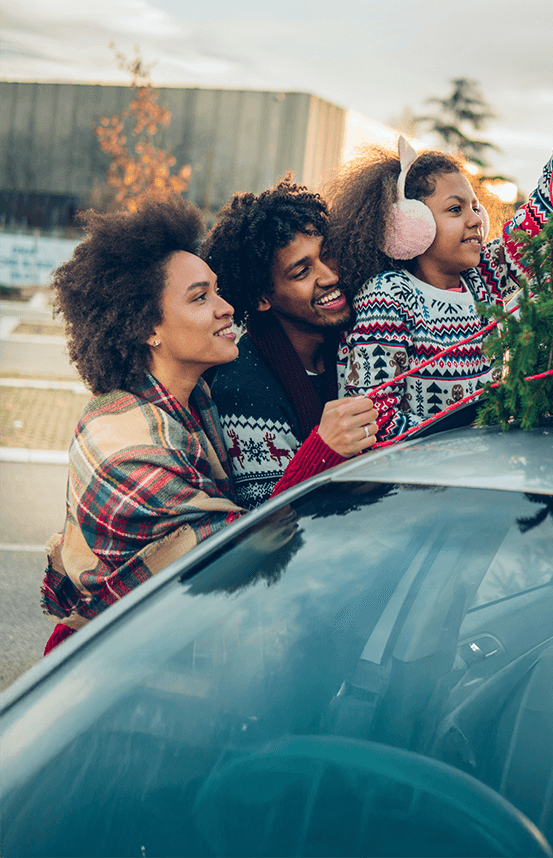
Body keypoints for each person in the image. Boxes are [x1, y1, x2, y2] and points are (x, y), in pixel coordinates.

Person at [40, 198, 378, 653]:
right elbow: (230, 559)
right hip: (112, 676)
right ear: (147, 327)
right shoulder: (122, 441)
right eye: (200, 298)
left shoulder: (194, 403)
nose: (226, 308)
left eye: (217, 291)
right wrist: (321, 450)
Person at [330, 58, 553, 439]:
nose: (475, 220)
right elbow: (376, 425)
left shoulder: (484, 278)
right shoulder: (388, 299)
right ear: (410, 225)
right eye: (455, 209)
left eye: (475, 207)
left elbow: (549, 209)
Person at [201, 176, 383, 509]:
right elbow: (267, 525)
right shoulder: (242, 390)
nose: (329, 276)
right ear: (261, 299)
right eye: (302, 272)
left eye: (327, 256)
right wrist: (323, 451)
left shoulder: (362, 341)